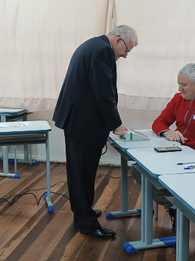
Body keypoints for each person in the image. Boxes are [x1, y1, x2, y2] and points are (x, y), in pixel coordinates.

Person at [53, 25, 138, 238]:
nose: (126, 55)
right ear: (119, 40)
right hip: (82, 123)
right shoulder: (102, 51)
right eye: (127, 49)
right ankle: (87, 223)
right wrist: (117, 125)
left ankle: (83, 213)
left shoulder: (94, 45)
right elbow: (103, 94)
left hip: (77, 120)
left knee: (79, 173)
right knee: (82, 174)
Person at [131, 63, 195, 228]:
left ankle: (181, 207)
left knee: (158, 176)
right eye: (178, 84)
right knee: (138, 169)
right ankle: (174, 206)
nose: (179, 89)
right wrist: (166, 132)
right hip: (176, 154)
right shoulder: (178, 99)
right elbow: (159, 122)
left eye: (183, 85)